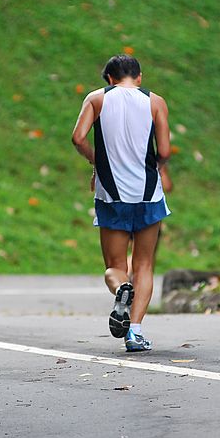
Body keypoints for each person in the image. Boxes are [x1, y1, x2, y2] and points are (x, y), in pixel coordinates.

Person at [71, 54, 171, 352]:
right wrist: (158, 168)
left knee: (115, 266)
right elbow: (164, 149)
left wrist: (95, 163)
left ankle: (120, 289)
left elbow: (78, 138)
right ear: (138, 77)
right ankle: (135, 333)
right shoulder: (155, 102)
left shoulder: (96, 99)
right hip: (148, 195)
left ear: (111, 80)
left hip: (111, 195)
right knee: (144, 264)